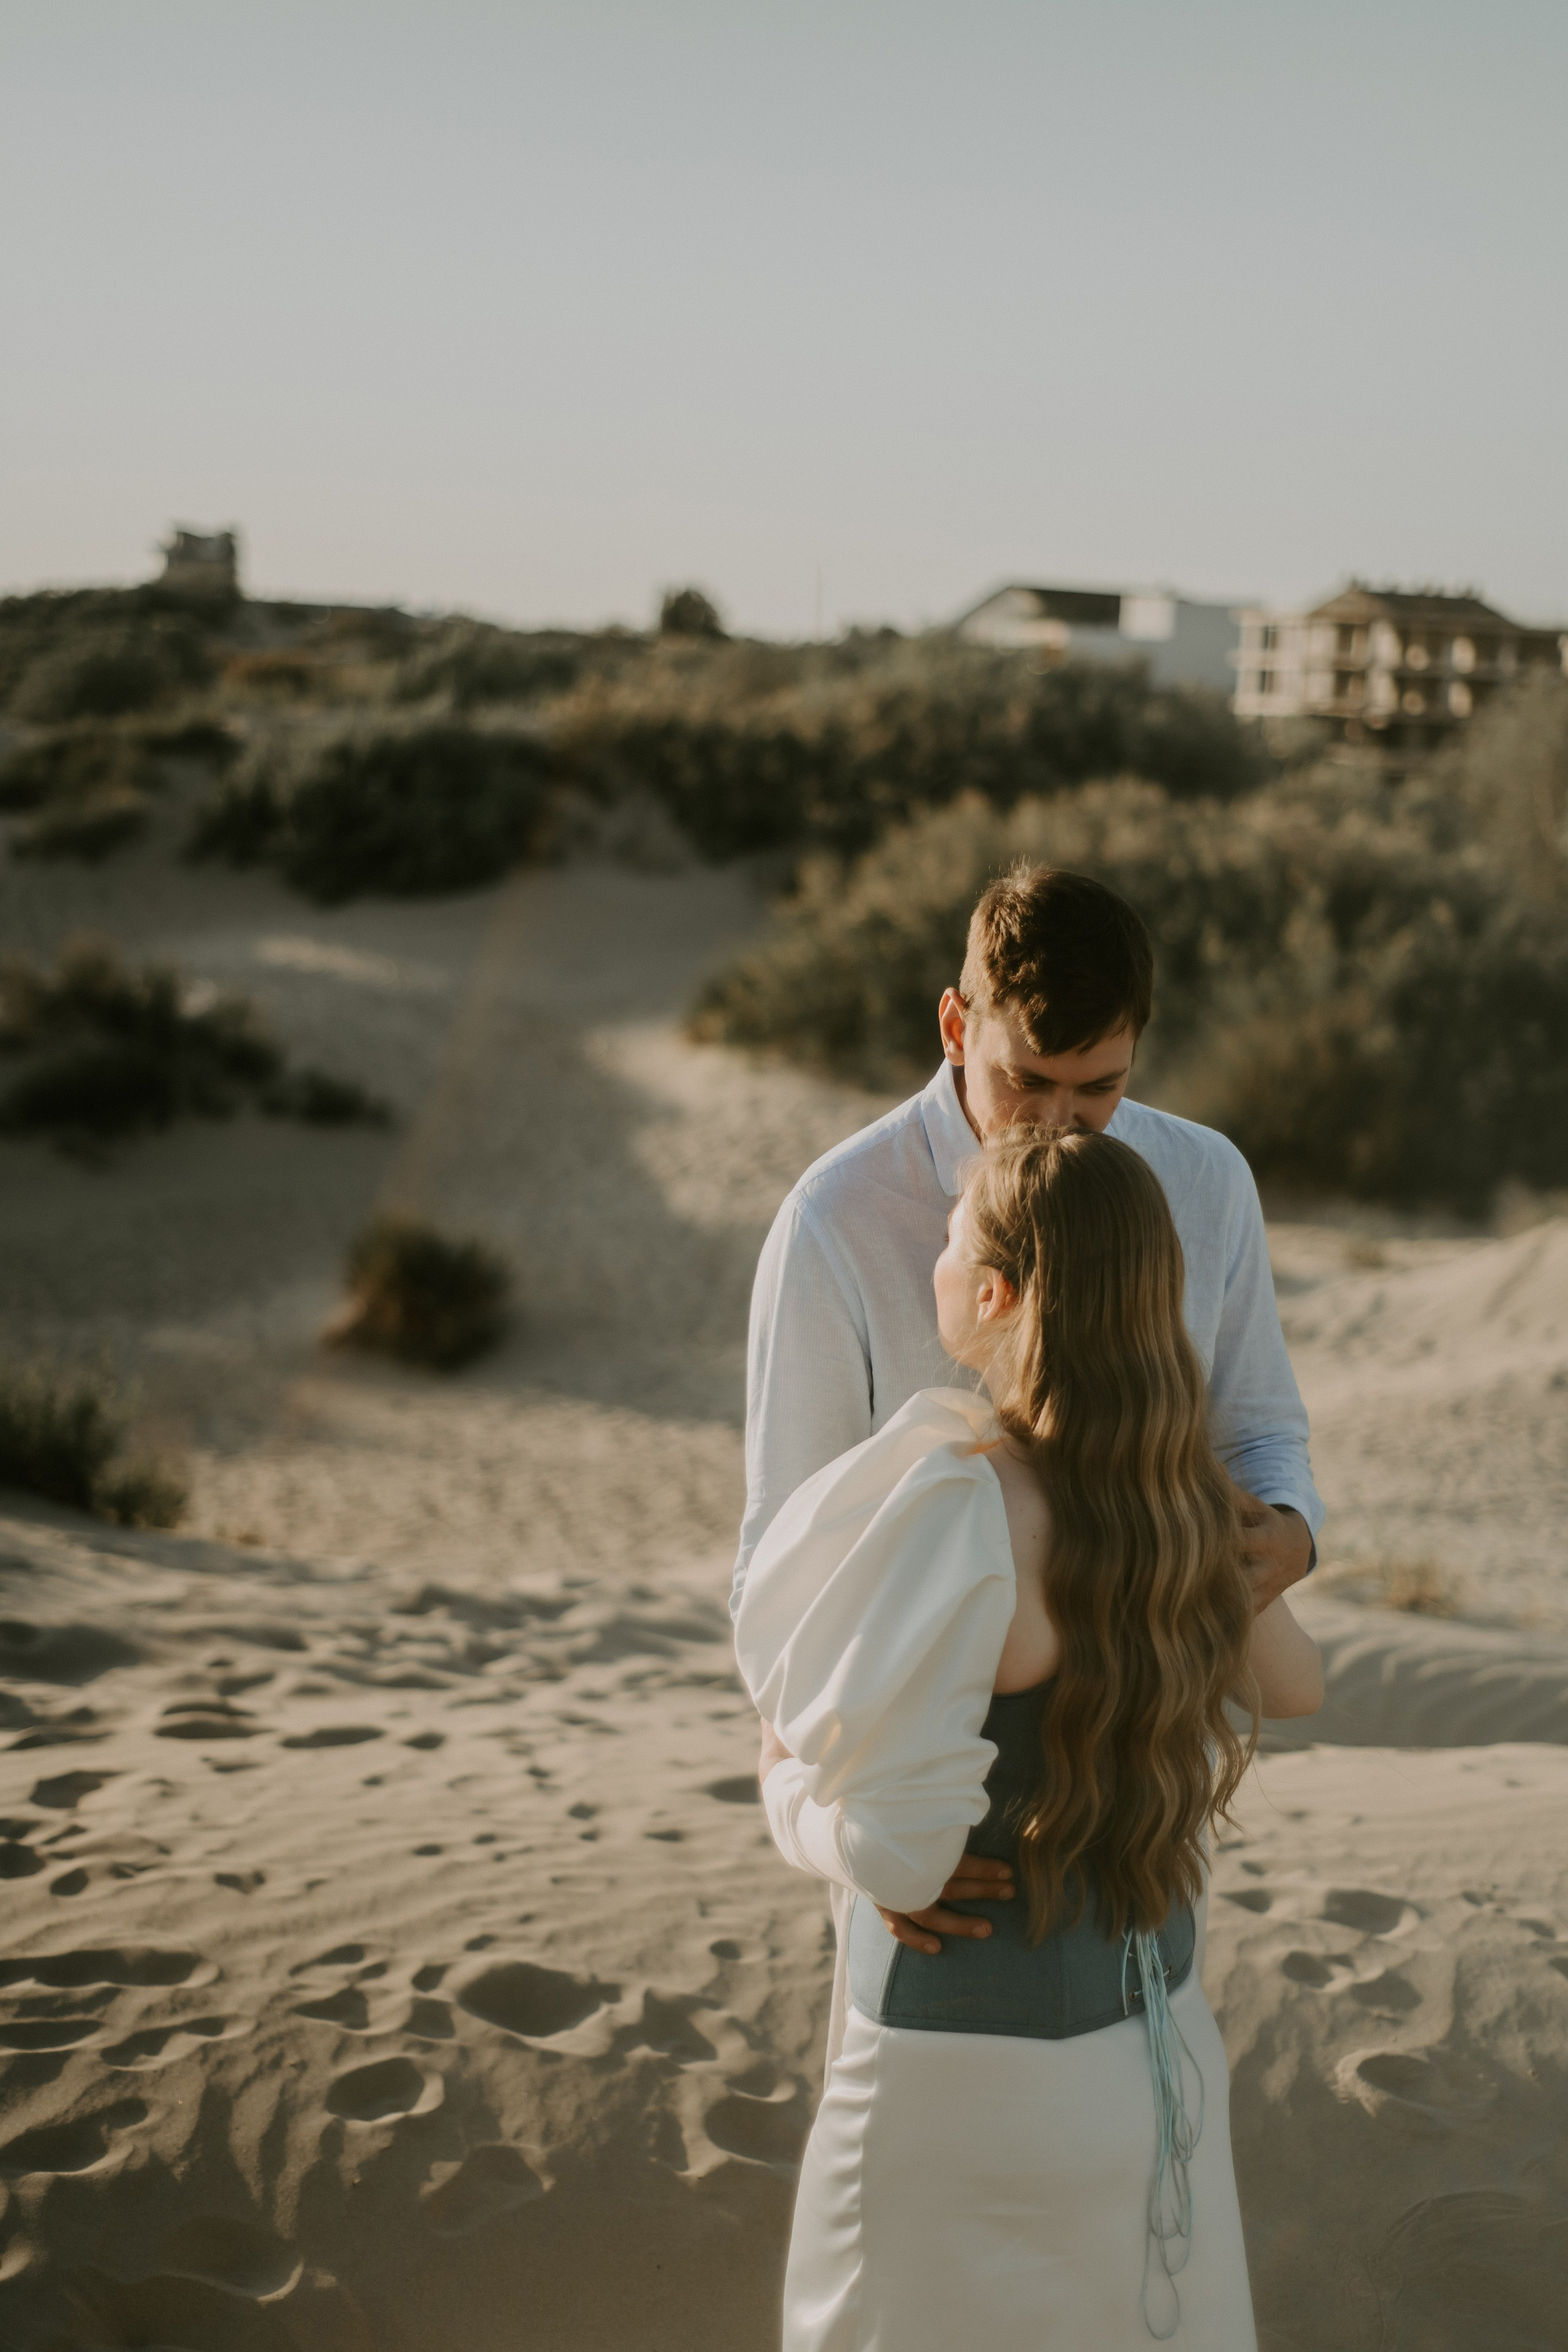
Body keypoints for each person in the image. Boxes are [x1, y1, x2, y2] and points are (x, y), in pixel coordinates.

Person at [736, 1126, 1324, 2350]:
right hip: (1149, 2063)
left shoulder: (967, 1501)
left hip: (962, 2083)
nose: (934, 1262)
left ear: (994, 1294)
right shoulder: (1178, 1503)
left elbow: (903, 1857)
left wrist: (785, 1787)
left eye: (948, 1242)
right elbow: (1296, 1682)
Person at [733, 865, 1323, 2037]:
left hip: (1137, 1797)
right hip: (930, 1820)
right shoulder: (839, 1218)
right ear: (957, 1028)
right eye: (1026, 1083)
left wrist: (1280, 1540)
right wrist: (842, 1828)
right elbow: (784, 1553)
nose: (1058, 1125)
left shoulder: (1204, 1181)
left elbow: (1260, 1425)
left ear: (1139, 1054)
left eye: (1098, 1090)